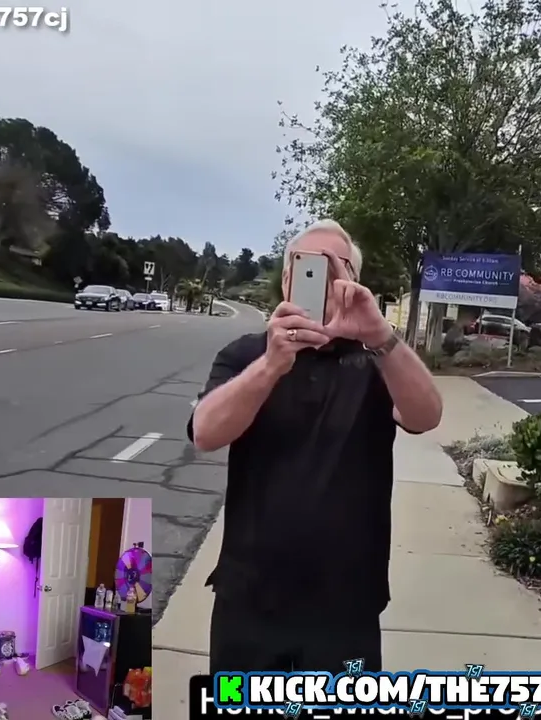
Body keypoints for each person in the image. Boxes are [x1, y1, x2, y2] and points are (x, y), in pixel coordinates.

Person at [189, 219, 443, 673]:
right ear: (288, 278)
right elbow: (205, 433)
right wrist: (271, 365)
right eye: (307, 265)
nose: (320, 277)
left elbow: (425, 416)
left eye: (334, 266)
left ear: (354, 280)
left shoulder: (377, 360)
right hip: (249, 598)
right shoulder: (246, 355)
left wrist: (380, 335)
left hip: (347, 603)